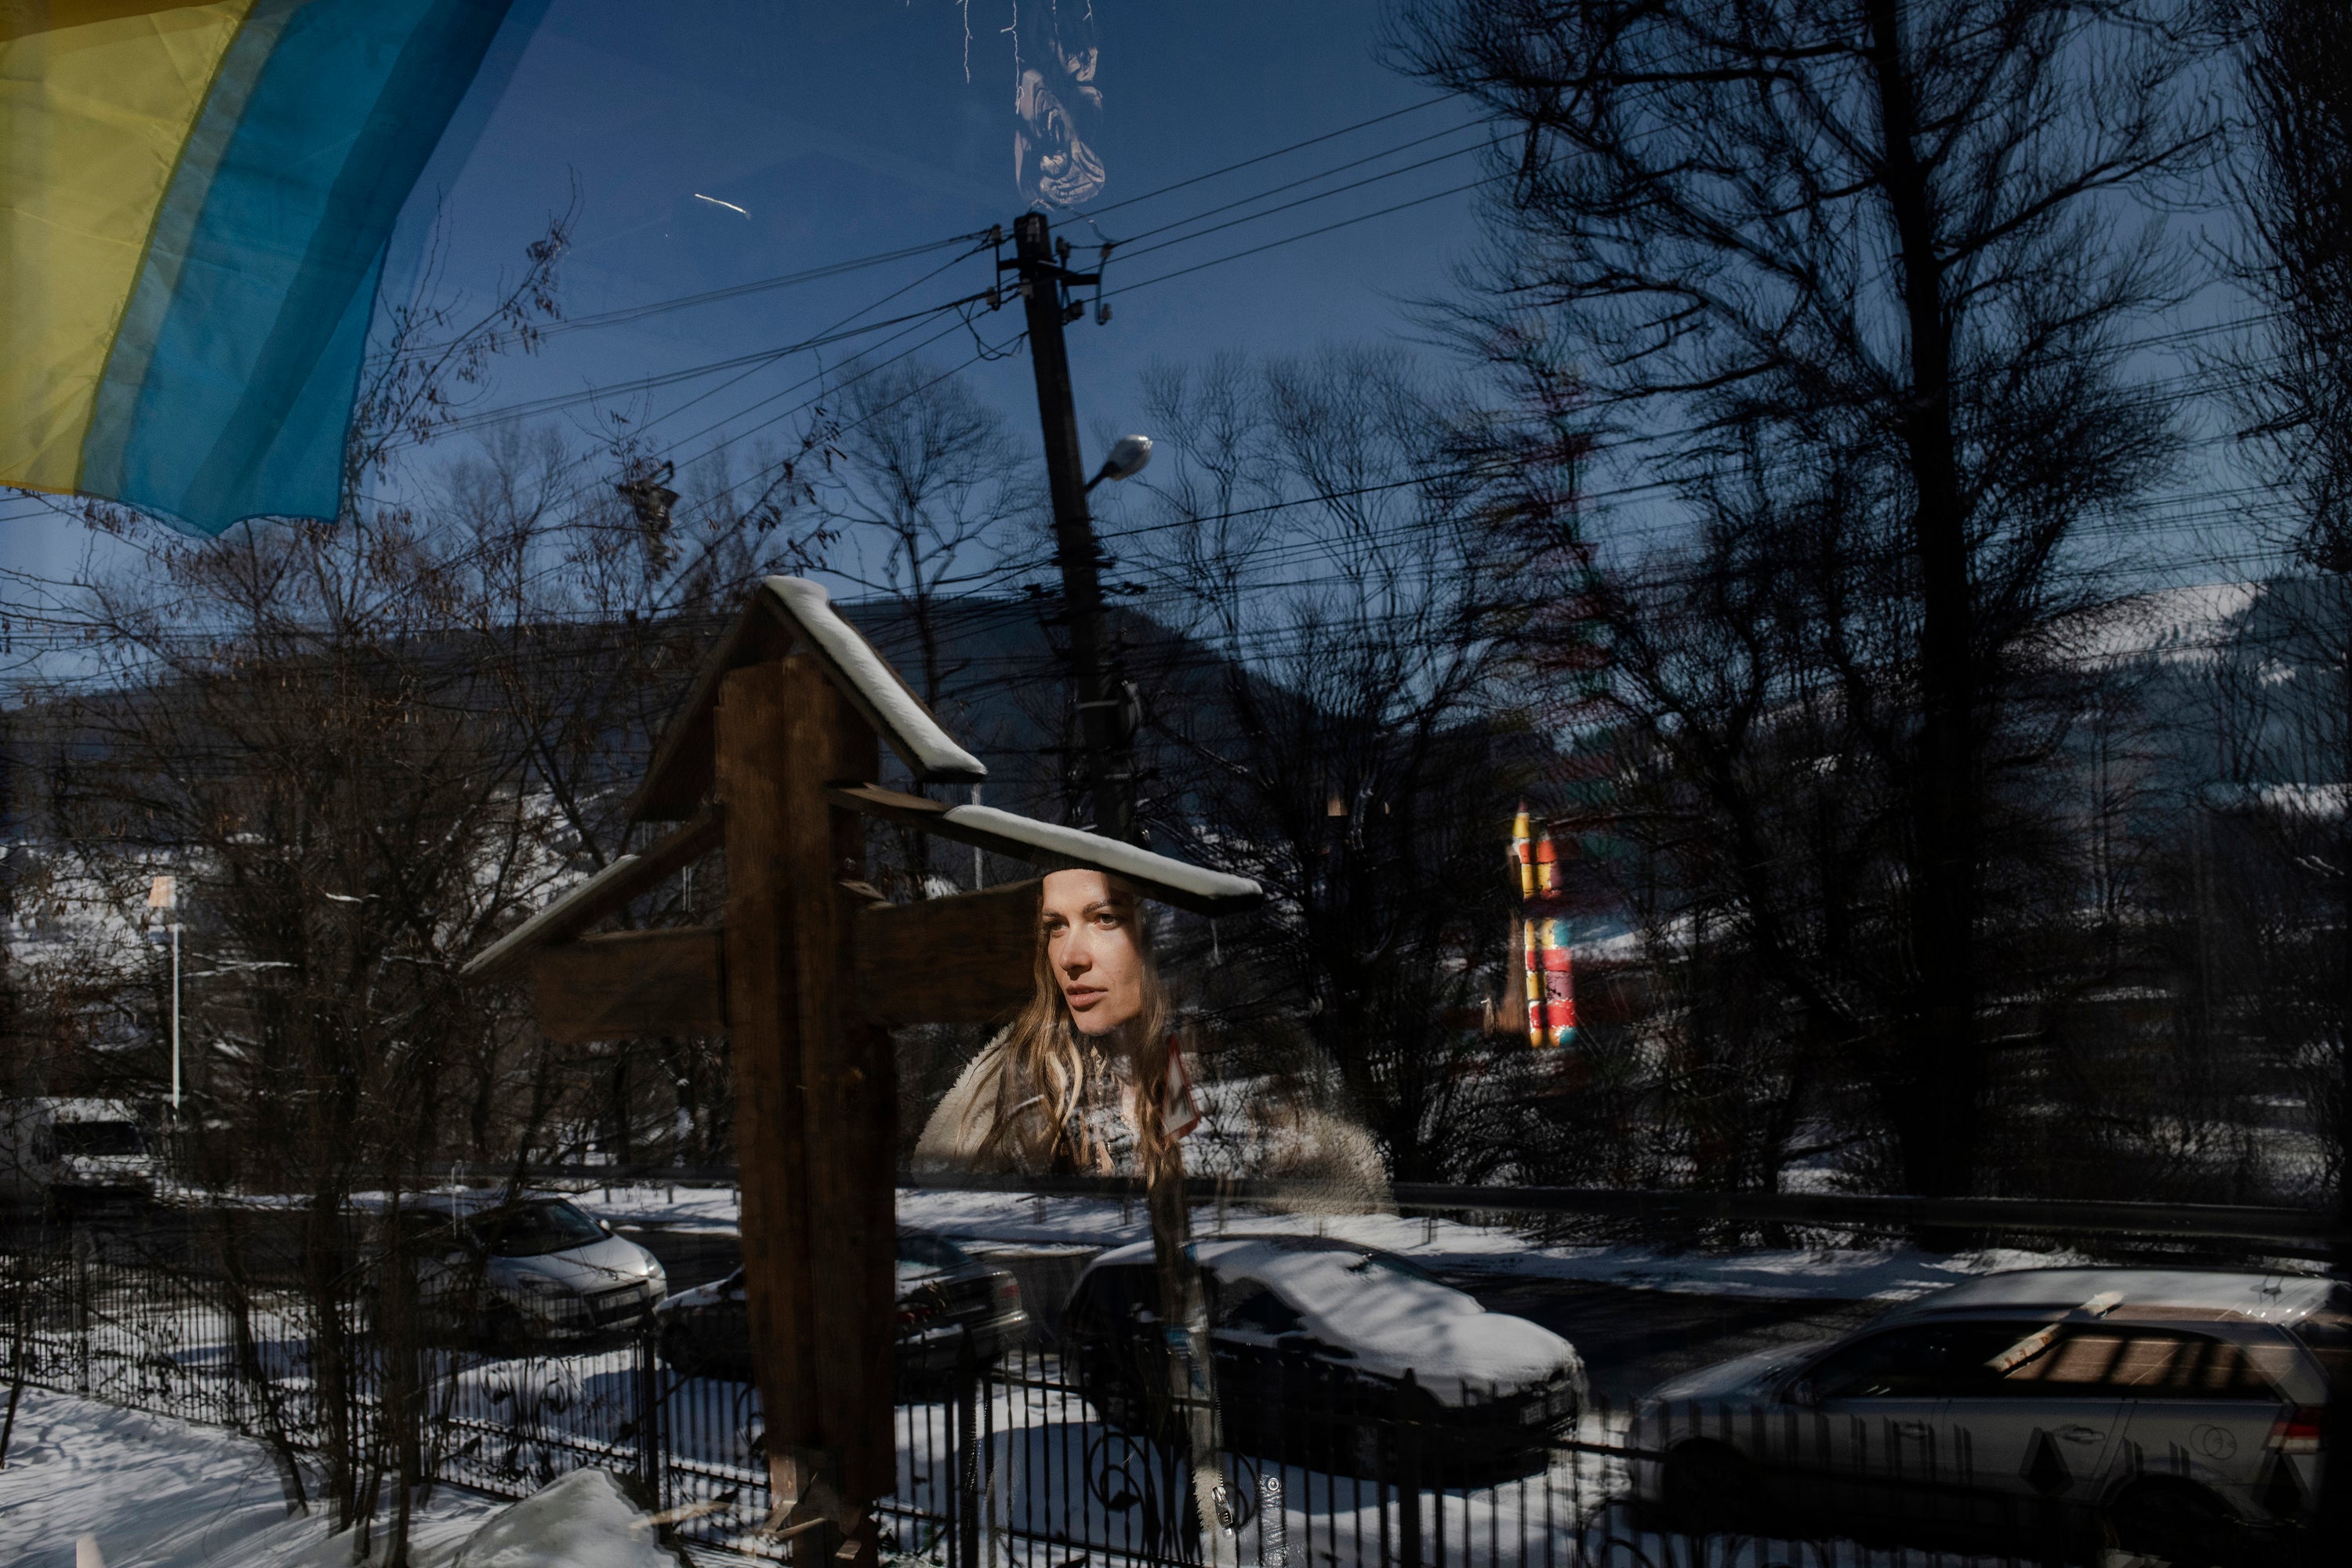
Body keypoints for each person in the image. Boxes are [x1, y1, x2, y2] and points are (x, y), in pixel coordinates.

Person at [915, 867, 1189, 1177]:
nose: (1068, 958)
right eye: (1056, 926)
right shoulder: (1023, 1091)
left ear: (1155, 938)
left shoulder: (1186, 1064)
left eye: (1105, 918)